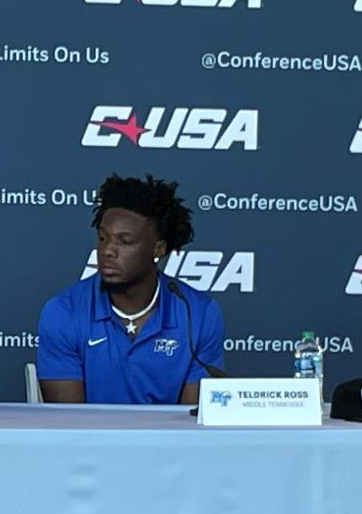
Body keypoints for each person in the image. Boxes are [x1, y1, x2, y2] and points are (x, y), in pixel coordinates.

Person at [37, 173, 224, 404]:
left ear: (158, 249)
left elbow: (192, 424)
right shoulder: (63, 312)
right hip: (89, 440)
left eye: (124, 241)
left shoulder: (198, 314)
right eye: (103, 238)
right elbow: (67, 424)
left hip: (168, 441)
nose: (107, 251)